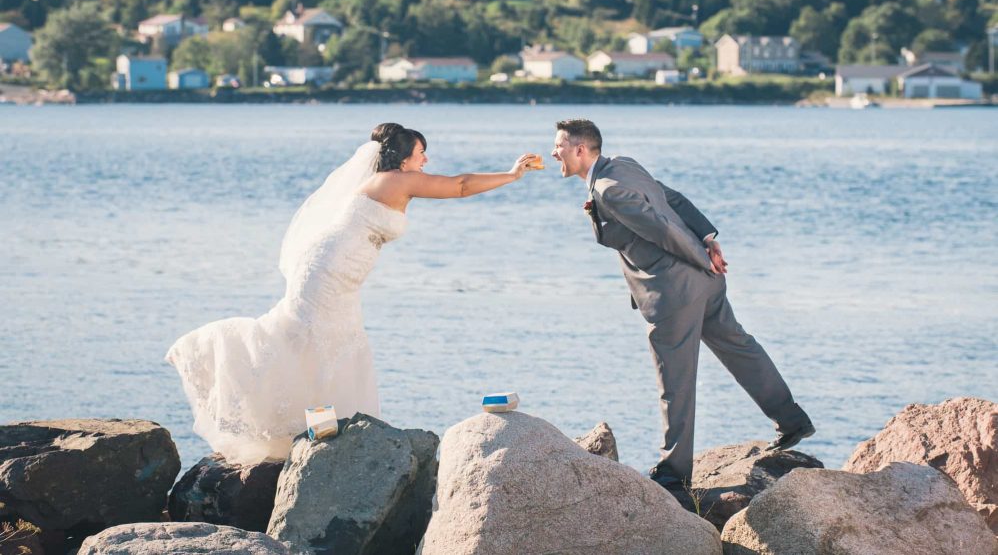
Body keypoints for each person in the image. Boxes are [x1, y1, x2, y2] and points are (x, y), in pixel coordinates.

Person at [167, 124, 541, 464]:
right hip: (328, 269)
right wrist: (511, 175)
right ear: (402, 158)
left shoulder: (393, 181)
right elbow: (459, 186)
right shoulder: (395, 180)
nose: (426, 160)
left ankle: (319, 430)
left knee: (328, 344)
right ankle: (215, 357)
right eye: (421, 152)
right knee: (305, 338)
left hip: (342, 273)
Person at [550, 118, 813, 492]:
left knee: (675, 380)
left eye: (558, 145)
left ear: (579, 150)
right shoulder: (622, 164)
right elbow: (670, 198)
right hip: (704, 282)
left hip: (674, 291)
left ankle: (675, 472)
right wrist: (708, 239)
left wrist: (702, 257)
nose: (552, 152)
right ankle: (793, 422)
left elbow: (663, 228)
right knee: (740, 348)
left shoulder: (608, 188)